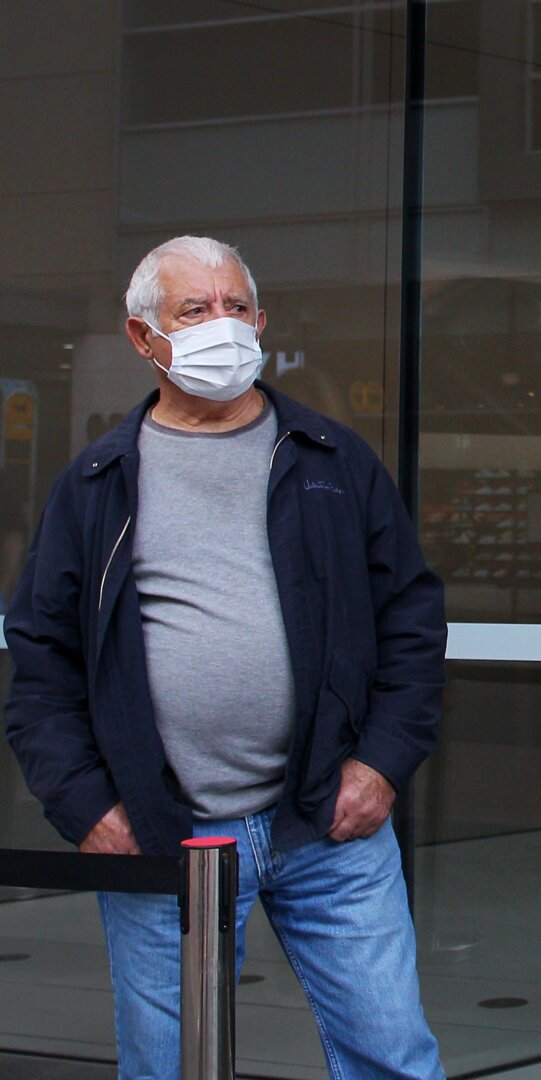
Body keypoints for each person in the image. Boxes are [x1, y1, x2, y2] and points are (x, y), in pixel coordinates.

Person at [4, 236, 447, 1077]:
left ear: (262, 322)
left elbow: (411, 622)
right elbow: (43, 666)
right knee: (170, 1068)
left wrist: (381, 765)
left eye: (237, 307)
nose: (224, 325)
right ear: (144, 337)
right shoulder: (95, 484)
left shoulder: (331, 460)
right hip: (161, 834)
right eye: (195, 310)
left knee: (392, 1056)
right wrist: (88, 806)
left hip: (328, 825)